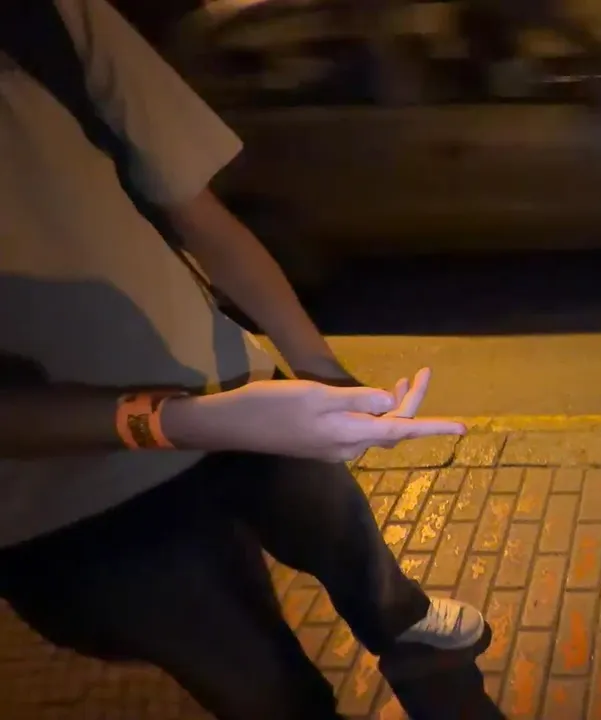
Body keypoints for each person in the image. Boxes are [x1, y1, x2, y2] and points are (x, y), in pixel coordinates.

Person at [0, 0, 487, 718]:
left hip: (232, 383)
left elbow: (199, 215)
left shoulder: (49, 14)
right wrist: (197, 420)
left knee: (343, 532)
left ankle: (402, 622)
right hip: (70, 501)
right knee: (265, 689)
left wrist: (318, 370)